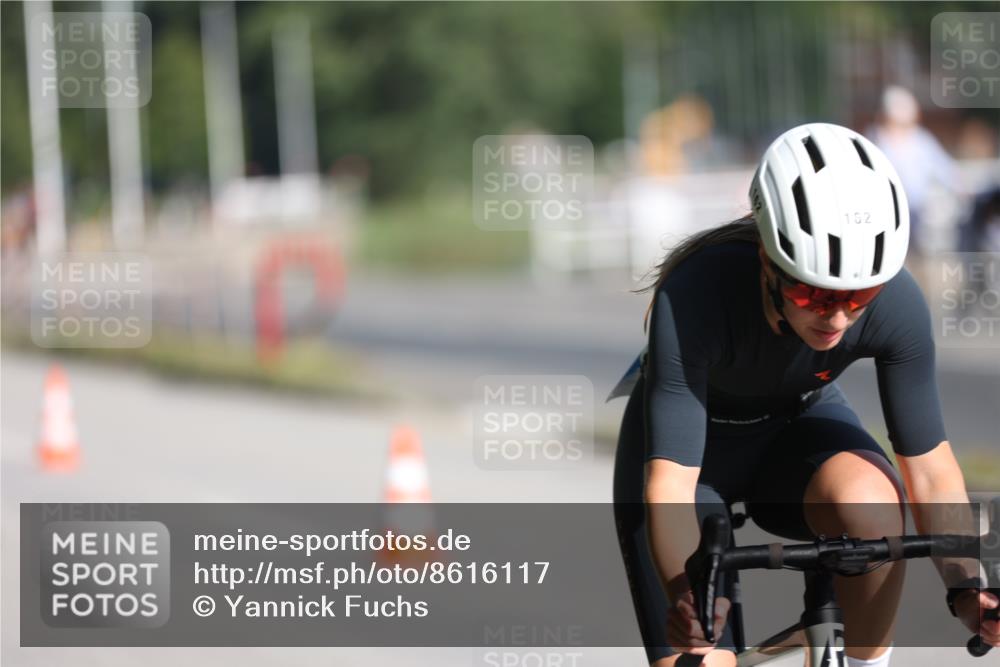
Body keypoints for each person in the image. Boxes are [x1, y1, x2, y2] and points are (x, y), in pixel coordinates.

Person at [610, 123, 1000, 667]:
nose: (837, 316)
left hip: (795, 437)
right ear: (769, 260)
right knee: (700, 658)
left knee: (872, 504)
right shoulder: (695, 296)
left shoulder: (899, 305)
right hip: (691, 466)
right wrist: (688, 600)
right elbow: (671, 487)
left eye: (860, 295)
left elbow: (931, 471)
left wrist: (968, 586)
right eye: (812, 292)